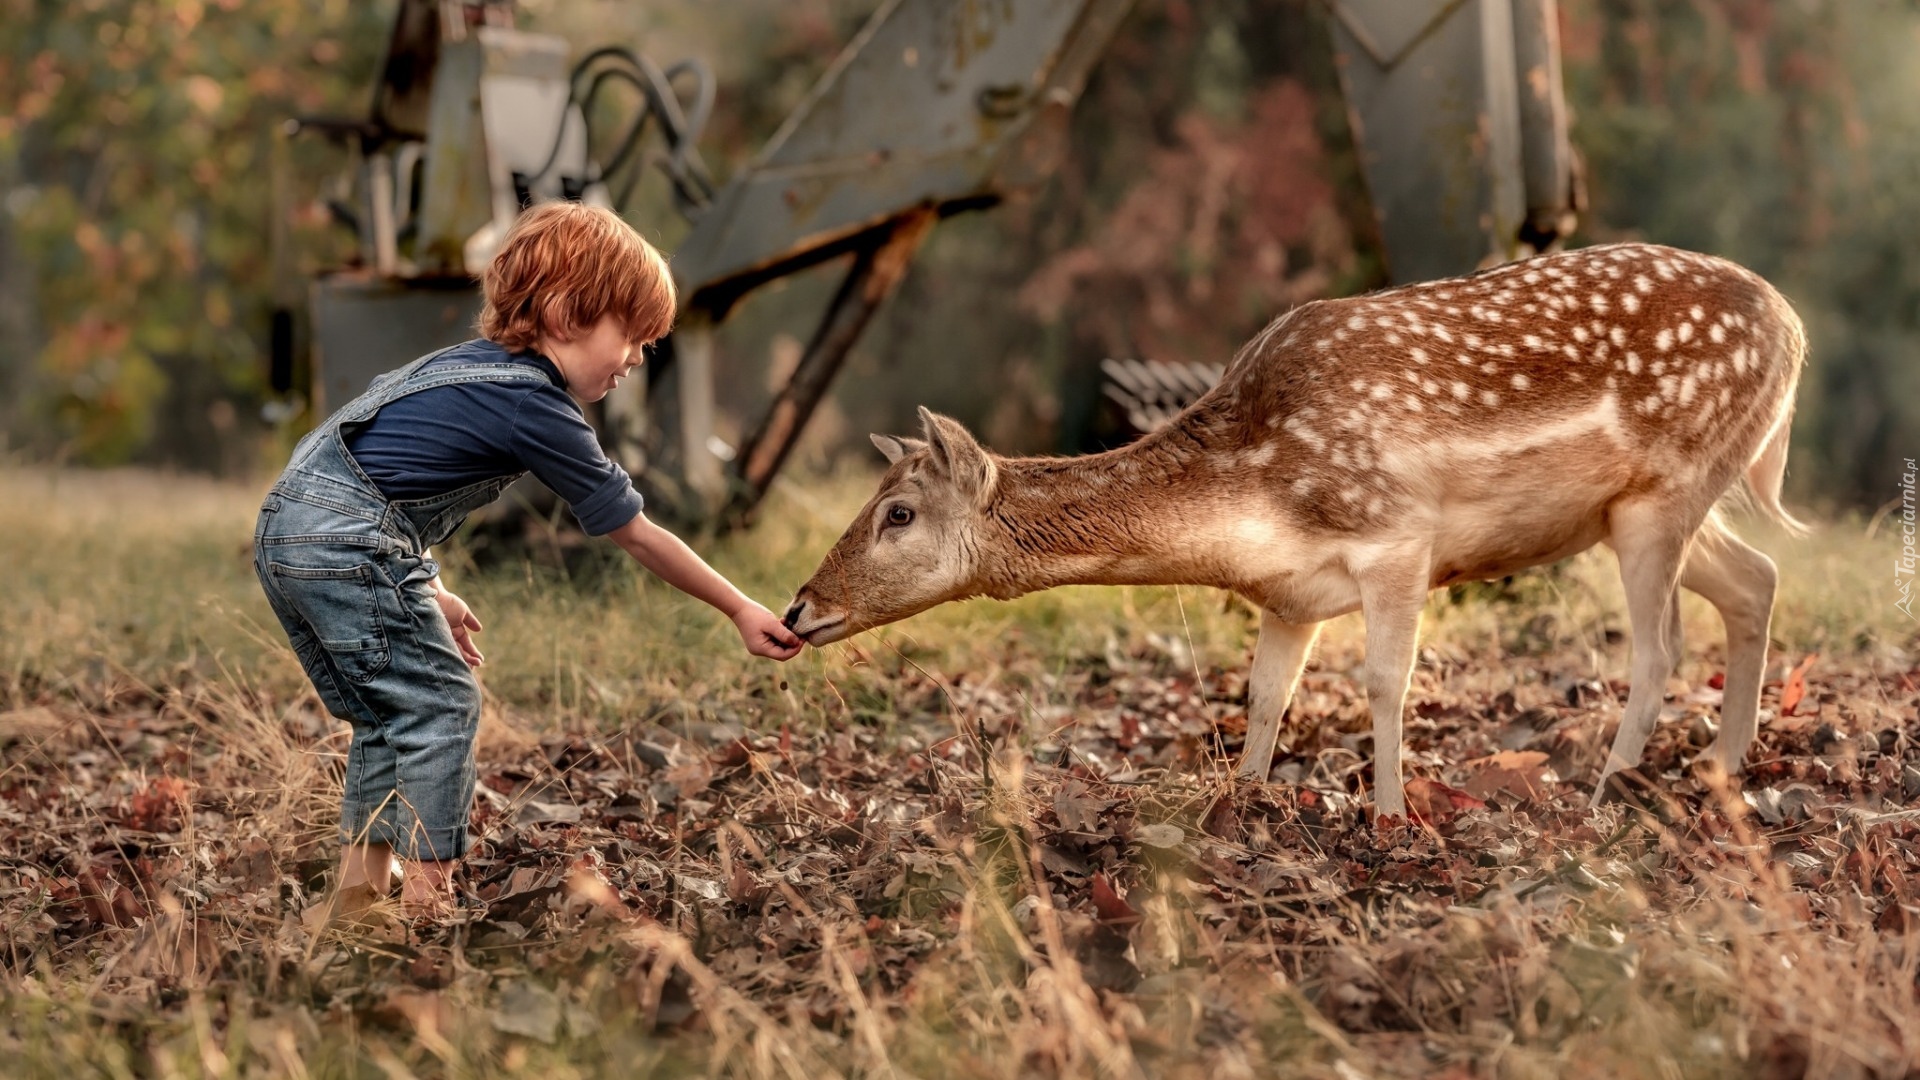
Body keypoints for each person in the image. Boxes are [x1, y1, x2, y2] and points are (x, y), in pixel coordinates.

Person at [253, 201, 802, 920]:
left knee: (389, 718)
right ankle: (426, 905)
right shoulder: (537, 407)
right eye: (631, 335)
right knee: (442, 705)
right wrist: (738, 606)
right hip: (347, 541)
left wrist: (425, 589)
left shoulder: (458, 368)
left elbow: (379, 485)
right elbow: (637, 533)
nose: (637, 356)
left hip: (289, 532)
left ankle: (357, 900)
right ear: (567, 310)